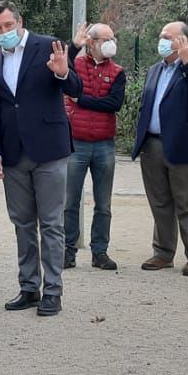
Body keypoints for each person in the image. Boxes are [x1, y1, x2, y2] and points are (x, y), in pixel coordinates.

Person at [0, 1, 80, 317]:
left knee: (51, 223)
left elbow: (75, 86)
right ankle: (29, 287)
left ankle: (53, 291)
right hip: (12, 155)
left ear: (19, 21)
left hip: (49, 150)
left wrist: (63, 72)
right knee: (22, 223)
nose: (4, 32)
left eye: (8, 25)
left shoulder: (47, 46)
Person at [132, 21, 188, 277]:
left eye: (168, 37)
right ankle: (163, 253)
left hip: (184, 146)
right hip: (153, 144)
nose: (163, 40)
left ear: (184, 41)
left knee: (187, 202)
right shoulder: (155, 70)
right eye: (161, 36)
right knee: (160, 202)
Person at [63, 23, 127, 271]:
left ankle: (100, 252)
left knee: (103, 203)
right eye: (106, 38)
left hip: (104, 144)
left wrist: (83, 100)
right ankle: (68, 251)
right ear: (92, 42)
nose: (111, 42)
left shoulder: (118, 72)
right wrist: (73, 47)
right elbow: (62, 77)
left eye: (113, 37)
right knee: (70, 201)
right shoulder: (76, 65)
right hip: (76, 142)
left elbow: (114, 103)